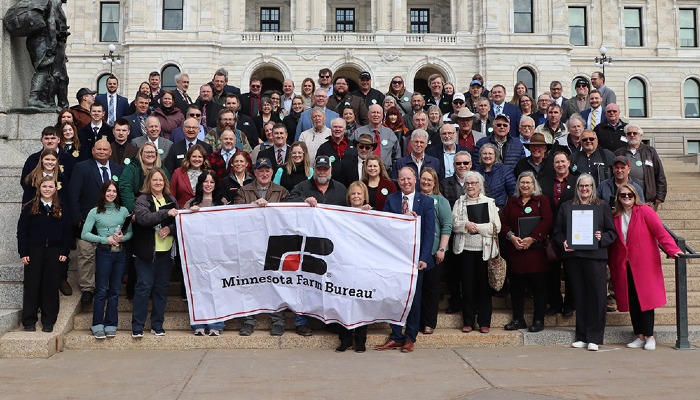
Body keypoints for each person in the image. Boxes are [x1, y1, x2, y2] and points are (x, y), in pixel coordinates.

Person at [608, 184, 683, 351]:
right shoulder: (615, 216)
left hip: (644, 264)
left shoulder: (645, 211)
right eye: (623, 195)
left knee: (646, 301)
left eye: (630, 195)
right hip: (624, 264)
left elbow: (660, 232)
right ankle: (639, 335)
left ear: (635, 196)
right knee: (632, 300)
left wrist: (673, 249)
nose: (626, 198)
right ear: (618, 198)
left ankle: (650, 336)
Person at [552, 173, 617, 351]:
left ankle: (594, 337)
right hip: (574, 257)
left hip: (595, 257)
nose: (584, 189)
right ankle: (581, 335)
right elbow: (557, 232)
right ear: (577, 188)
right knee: (579, 297)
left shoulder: (602, 206)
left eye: (588, 186)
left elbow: (612, 233)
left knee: (596, 297)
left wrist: (601, 237)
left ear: (593, 187)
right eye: (581, 186)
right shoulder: (567, 207)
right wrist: (563, 242)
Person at [375, 167, 435, 353]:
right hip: (396, 259)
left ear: (415, 180)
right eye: (402, 179)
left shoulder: (425, 202)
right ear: (398, 181)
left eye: (409, 179)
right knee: (395, 298)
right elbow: (386, 227)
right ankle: (396, 336)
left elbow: (428, 233)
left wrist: (425, 257)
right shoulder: (392, 199)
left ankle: (410, 338)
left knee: (415, 300)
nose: (406, 182)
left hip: (416, 260)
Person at [286, 155, 347, 336]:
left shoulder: (340, 189)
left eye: (325, 169)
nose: (322, 172)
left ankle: (330, 320)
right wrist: (303, 202)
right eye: (319, 169)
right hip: (308, 243)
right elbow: (287, 203)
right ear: (314, 169)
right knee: (304, 283)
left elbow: (352, 208)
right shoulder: (303, 187)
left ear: (330, 170)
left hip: (333, 245)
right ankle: (301, 321)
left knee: (331, 283)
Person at [233, 157, 290, 337]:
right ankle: (249, 321)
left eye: (267, 170)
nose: (264, 174)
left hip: (275, 244)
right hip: (251, 244)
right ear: (255, 173)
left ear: (272, 172)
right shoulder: (244, 191)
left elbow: (290, 215)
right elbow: (235, 215)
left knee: (276, 282)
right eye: (260, 171)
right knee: (250, 282)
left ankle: (277, 320)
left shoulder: (281, 192)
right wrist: (252, 207)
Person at [17, 176, 72, 332]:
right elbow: (22, 232)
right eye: (44, 186)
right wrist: (23, 252)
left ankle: (48, 320)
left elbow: (67, 232)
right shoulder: (29, 207)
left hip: (54, 252)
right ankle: (29, 321)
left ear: (55, 189)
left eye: (50, 186)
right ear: (39, 188)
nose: (47, 189)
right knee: (32, 285)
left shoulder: (61, 207)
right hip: (34, 251)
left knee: (50, 286)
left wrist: (64, 251)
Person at [500, 172, 553, 333]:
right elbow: (502, 222)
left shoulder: (542, 200)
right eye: (522, 182)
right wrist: (512, 237)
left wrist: (532, 238)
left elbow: (547, 221)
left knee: (539, 288)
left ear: (534, 185)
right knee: (516, 288)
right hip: (516, 251)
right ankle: (518, 319)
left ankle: (538, 320)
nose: (525, 185)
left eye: (528, 182)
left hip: (536, 253)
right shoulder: (512, 201)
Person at [80, 181, 133, 339]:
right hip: (103, 253)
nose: (111, 193)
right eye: (108, 191)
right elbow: (85, 234)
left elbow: (131, 233)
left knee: (115, 291)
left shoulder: (123, 211)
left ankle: (111, 323)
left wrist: (123, 237)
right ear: (103, 193)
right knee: (102, 289)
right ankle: (97, 324)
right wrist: (104, 239)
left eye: (114, 191)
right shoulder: (95, 211)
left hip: (119, 253)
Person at [450, 171, 500, 333]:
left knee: (484, 287)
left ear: (480, 185)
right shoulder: (459, 202)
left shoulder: (489, 202)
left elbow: (496, 227)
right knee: (467, 287)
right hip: (465, 251)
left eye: (474, 183)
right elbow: (453, 223)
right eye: (468, 183)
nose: (470, 186)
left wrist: (477, 227)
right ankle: (468, 321)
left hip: (484, 251)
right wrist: (466, 225)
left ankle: (484, 321)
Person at [131, 168, 179, 338]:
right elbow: (144, 219)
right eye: (154, 180)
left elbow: (179, 222)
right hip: (146, 253)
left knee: (161, 289)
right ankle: (137, 326)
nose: (158, 183)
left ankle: (157, 324)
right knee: (143, 288)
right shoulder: (142, 200)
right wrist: (165, 212)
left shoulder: (170, 199)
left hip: (165, 252)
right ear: (149, 182)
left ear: (165, 182)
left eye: (160, 180)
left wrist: (170, 228)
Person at [184, 170, 229, 336]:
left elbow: (229, 225)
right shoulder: (191, 202)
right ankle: (199, 324)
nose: (208, 185)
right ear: (200, 183)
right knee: (199, 288)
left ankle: (217, 323)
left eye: (211, 181)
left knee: (217, 288)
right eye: (205, 181)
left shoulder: (222, 202)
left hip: (217, 252)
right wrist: (190, 214)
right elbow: (182, 223)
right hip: (197, 254)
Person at [335, 181, 372, 352]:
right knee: (343, 299)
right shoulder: (340, 215)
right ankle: (345, 338)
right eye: (353, 194)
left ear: (364, 196)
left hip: (364, 264)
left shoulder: (373, 216)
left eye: (359, 194)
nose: (356, 197)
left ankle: (360, 339)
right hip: (344, 264)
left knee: (362, 301)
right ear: (348, 197)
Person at [540, 151, 579, 317]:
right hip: (551, 233)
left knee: (571, 271)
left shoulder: (577, 181)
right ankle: (555, 303)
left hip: (572, 232)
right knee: (552, 272)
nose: (560, 164)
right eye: (557, 162)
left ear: (569, 163)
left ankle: (570, 304)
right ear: (553, 164)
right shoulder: (544, 182)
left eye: (563, 161)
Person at [418, 168, 452, 335]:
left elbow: (447, 226)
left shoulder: (441, 201)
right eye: (423, 179)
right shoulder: (414, 199)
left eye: (429, 180)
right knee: (418, 290)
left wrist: (442, 249)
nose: (426, 182)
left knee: (431, 289)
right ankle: (416, 321)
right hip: (416, 252)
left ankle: (429, 323)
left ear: (435, 182)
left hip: (433, 252)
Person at [614, 124, 667, 210]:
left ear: (641, 136)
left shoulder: (650, 151)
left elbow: (659, 174)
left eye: (635, 133)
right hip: (625, 198)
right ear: (626, 136)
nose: (632, 135)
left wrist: (660, 196)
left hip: (647, 199)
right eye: (629, 133)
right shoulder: (618, 153)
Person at [119, 142, 170, 213]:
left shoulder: (162, 168)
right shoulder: (132, 168)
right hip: (139, 207)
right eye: (147, 152)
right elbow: (125, 189)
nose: (150, 154)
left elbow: (167, 188)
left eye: (152, 152)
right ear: (141, 154)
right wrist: (133, 210)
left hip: (160, 207)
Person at [474, 143, 516, 209]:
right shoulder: (476, 172)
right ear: (480, 156)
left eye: (490, 154)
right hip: (481, 209)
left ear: (495, 155)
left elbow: (512, 191)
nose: (487, 156)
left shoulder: (504, 170)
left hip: (500, 208)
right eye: (484, 153)